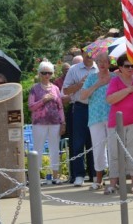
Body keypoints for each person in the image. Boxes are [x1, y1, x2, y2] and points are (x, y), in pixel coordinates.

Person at [105, 54, 133, 195]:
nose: (130, 68)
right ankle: (112, 184)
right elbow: (110, 99)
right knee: (115, 154)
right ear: (120, 67)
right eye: (127, 66)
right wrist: (127, 90)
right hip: (116, 123)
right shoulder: (115, 81)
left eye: (132, 66)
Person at [62, 49, 97, 186]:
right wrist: (80, 84)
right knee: (78, 143)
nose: (89, 57)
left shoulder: (99, 68)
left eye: (91, 54)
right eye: (86, 54)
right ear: (82, 54)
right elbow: (65, 90)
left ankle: (95, 173)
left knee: (95, 141)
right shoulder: (74, 70)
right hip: (80, 107)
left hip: (96, 107)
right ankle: (79, 175)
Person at [27, 61, 66, 184]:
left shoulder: (55, 88)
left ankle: (55, 176)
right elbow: (31, 106)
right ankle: (36, 177)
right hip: (39, 123)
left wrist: (63, 122)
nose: (46, 75)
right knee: (38, 148)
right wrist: (43, 100)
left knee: (54, 149)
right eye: (44, 73)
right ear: (39, 74)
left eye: (49, 73)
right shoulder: (34, 89)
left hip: (55, 122)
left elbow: (60, 107)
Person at [80, 53, 114, 190]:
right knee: (98, 148)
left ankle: (114, 179)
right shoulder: (92, 77)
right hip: (95, 117)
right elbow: (82, 96)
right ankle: (98, 178)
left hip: (112, 116)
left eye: (105, 61)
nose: (102, 64)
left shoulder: (116, 77)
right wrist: (97, 84)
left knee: (113, 148)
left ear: (109, 63)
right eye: (99, 61)